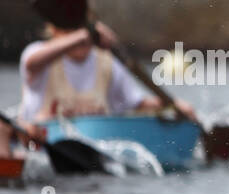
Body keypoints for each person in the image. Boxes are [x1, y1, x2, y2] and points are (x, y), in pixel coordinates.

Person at [19, 22, 194, 123]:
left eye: (82, 28)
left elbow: (136, 104)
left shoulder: (108, 62)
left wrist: (175, 105)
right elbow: (31, 64)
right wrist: (82, 35)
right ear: (54, 30)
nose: (81, 38)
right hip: (38, 140)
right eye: (71, 29)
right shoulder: (37, 54)